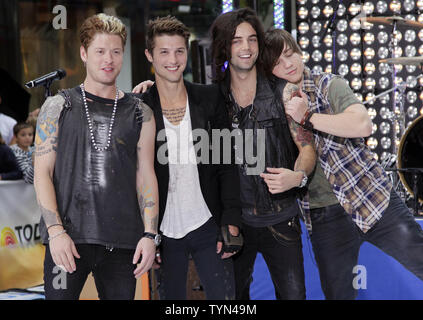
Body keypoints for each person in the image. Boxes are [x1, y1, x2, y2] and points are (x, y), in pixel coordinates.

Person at [263, 27, 423, 299]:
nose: (287, 64)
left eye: (290, 55)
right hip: (323, 213)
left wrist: (309, 117)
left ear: (300, 53)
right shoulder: (275, 104)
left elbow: (363, 124)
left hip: (372, 197)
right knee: (338, 295)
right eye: (277, 62)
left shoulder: (328, 85)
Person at [34, 13, 159, 300]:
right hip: (68, 238)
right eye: (100, 51)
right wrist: (55, 231)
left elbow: (146, 175)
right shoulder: (57, 106)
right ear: (83, 53)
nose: (109, 59)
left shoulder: (141, 113)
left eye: (116, 52)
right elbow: (42, 173)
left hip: (123, 242)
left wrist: (150, 235)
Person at [209, 8, 316, 300]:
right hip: (233, 221)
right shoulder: (212, 98)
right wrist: (150, 90)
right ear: (223, 47)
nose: (246, 48)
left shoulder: (285, 93)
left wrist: (298, 176)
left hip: (280, 217)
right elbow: (174, 95)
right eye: (236, 40)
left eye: (252, 39)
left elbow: (307, 147)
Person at [136, 15, 242, 300]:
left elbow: (226, 163)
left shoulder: (209, 98)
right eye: (164, 52)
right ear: (149, 55)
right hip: (164, 230)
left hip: (207, 221)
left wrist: (231, 219)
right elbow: (135, 175)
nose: (173, 59)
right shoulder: (139, 107)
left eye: (179, 51)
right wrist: (146, 234)